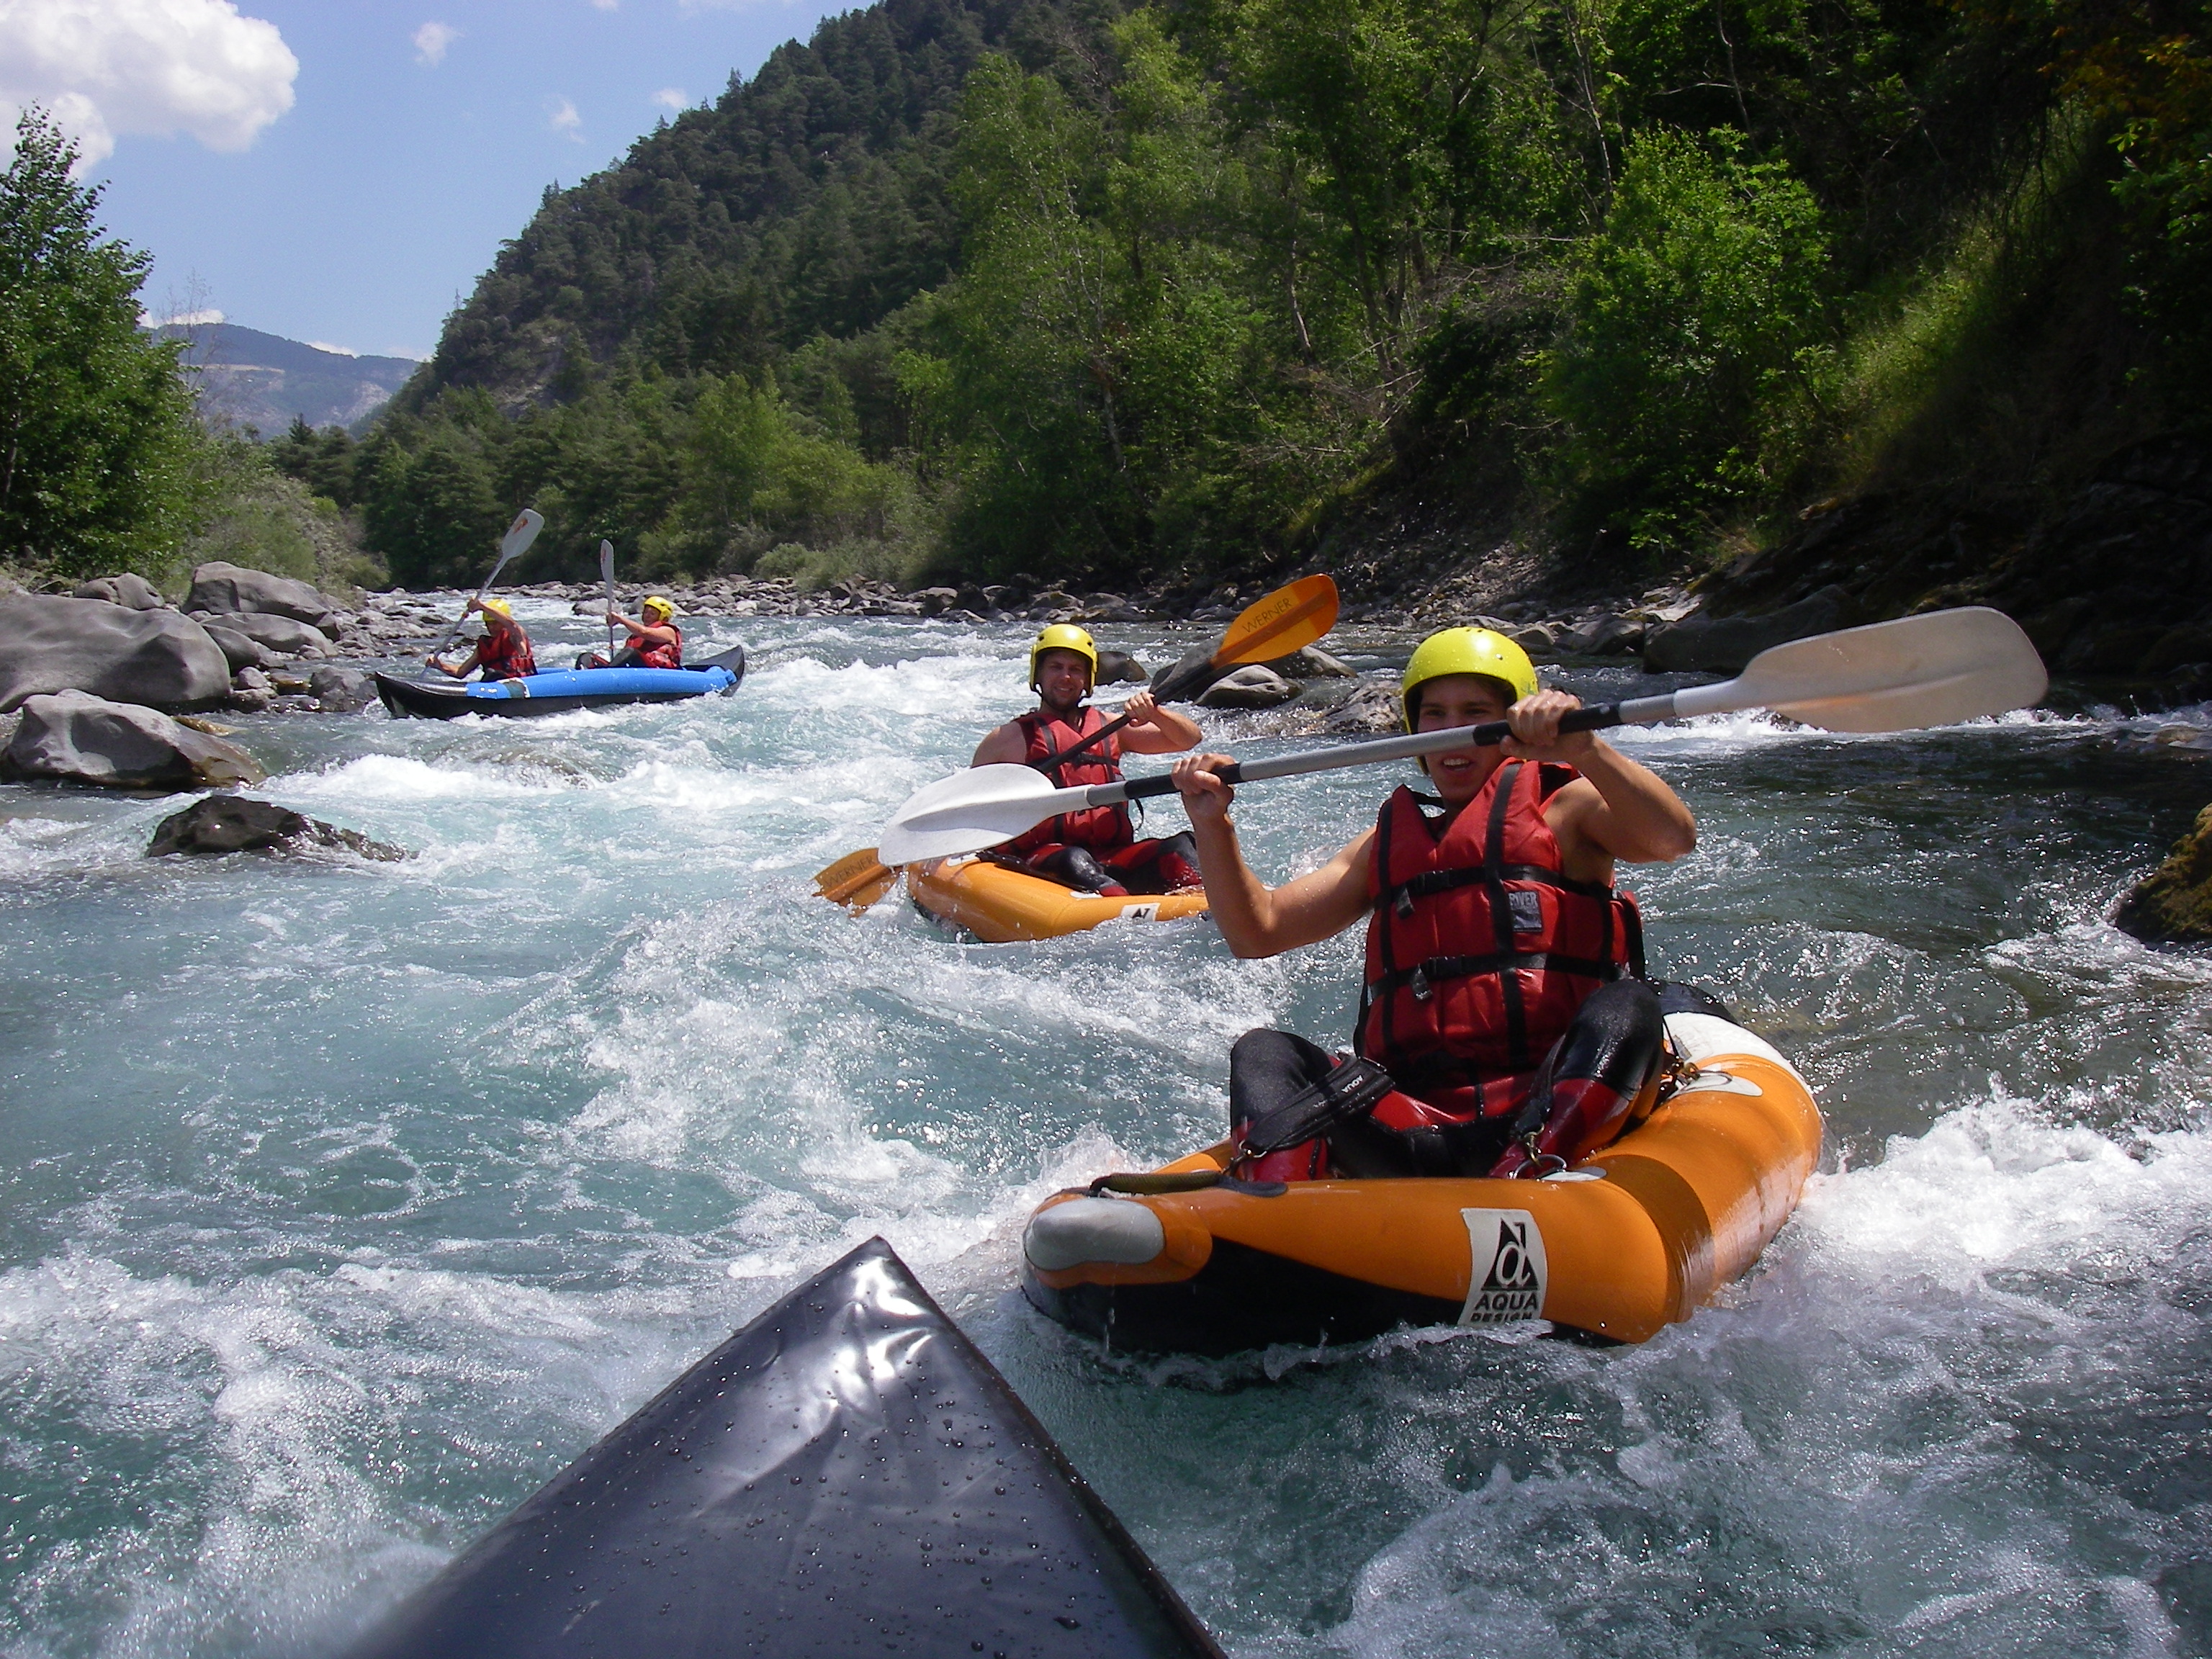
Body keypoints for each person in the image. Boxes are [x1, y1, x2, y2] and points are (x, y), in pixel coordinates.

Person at [1169, 626, 1698, 1181]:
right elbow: (1259, 932)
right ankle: (1271, 1208)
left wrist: (1587, 748)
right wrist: (1211, 823)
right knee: (1265, 1053)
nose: (1452, 733)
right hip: (1417, 1120)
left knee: (1629, 1007)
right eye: (1434, 715)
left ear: (1515, 723)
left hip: (1548, 1100)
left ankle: (1528, 1177)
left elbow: (1671, 839)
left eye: (1475, 712)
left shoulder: (1567, 809)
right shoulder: (1384, 847)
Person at [971, 624, 1207, 897]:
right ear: (1038, 673)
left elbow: (1188, 738)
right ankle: (1122, 914)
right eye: (1056, 667)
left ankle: (1208, 903)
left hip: (1111, 855)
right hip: (1044, 859)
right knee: (1074, 859)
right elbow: (969, 809)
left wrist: (1155, 713)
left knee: (1182, 846)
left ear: (1088, 679)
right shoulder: (1006, 739)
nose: (1066, 677)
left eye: (1076, 669)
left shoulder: (1111, 727)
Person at [429, 597, 536, 680]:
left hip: (520, 685)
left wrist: (481, 606)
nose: (491, 627)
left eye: (495, 623)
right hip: (495, 688)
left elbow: (512, 625)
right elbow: (460, 673)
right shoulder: (485, 647)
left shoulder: (516, 636)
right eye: (488, 623)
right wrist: (439, 665)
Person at [583, 596, 683, 669]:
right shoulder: (635, 636)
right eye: (646, 612)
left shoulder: (668, 630)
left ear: (663, 617)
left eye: (652, 613)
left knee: (630, 651)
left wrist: (620, 619)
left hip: (659, 671)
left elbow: (644, 632)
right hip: (637, 669)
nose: (647, 616)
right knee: (587, 657)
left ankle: (608, 675)